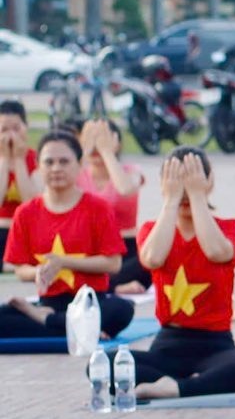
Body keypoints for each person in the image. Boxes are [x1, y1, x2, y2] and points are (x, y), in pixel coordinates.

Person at [128, 149, 235, 400]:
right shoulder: (151, 229)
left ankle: (178, 388)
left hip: (216, 346)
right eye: (178, 183)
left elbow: (217, 252)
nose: (185, 192)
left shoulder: (229, 227)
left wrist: (198, 195)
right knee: (105, 365)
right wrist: (171, 200)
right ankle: (198, 383)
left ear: (208, 182)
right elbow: (152, 258)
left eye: (192, 182)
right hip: (168, 345)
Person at [0, 132, 135, 340]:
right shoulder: (25, 212)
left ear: (79, 164)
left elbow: (113, 264)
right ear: (37, 166)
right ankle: (73, 327)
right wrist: (39, 271)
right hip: (49, 302)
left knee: (122, 310)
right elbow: (20, 269)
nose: (56, 168)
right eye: (49, 162)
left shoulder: (98, 208)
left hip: (90, 302)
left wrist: (63, 262)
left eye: (64, 161)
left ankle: (48, 321)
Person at [76, 118, 148, 292]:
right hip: (90, 249)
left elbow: (125, 189)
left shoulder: (131, 171)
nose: (96, 146)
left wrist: (107, 151)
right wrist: (82, 151)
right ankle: (113, 287)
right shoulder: (76, 174)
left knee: (150, 260)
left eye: (101, 138)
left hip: (126, 249)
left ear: (116, 142)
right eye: (90, 138)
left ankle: (101, 286)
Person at [0, 100, 42, 245]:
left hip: (28, 228)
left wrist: (19, 160)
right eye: (4, 129)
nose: (11, 135)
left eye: (16, 128)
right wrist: (4, 158)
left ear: (26, 127)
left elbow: (31, 202)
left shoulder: (37, 159)